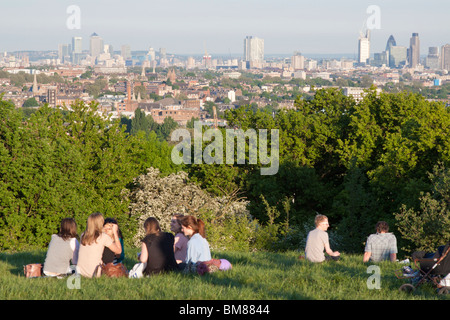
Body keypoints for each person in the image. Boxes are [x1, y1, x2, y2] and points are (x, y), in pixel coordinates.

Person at [76, 212, 122, 278]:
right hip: (94, 273)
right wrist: (115, 232)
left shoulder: (83, 235)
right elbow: (119, 251)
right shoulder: (103, 237)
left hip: (80, 272)